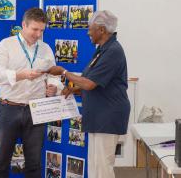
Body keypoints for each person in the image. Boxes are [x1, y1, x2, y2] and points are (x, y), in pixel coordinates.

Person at [46, 10, 130, 178]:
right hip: (99, 115)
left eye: (90, 28)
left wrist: (63, 71)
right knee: (95, 165)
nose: (88, 32)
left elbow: (90, 84)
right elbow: (95, 81)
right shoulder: (103, 50)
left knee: (102, 168)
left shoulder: (112, 51)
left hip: (107, 116)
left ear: (101, 29)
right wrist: (73, 89)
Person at [0, 7, 63, 178]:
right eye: (35, 29)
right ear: (24, 25)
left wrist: (54, 87)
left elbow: (53, 76)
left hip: (36, 109)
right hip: (9, 108)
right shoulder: (6, 45)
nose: (38, 34)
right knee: (1, 161)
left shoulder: (46, 49)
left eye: (42, 30)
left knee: (34, 163)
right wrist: (20, 75)